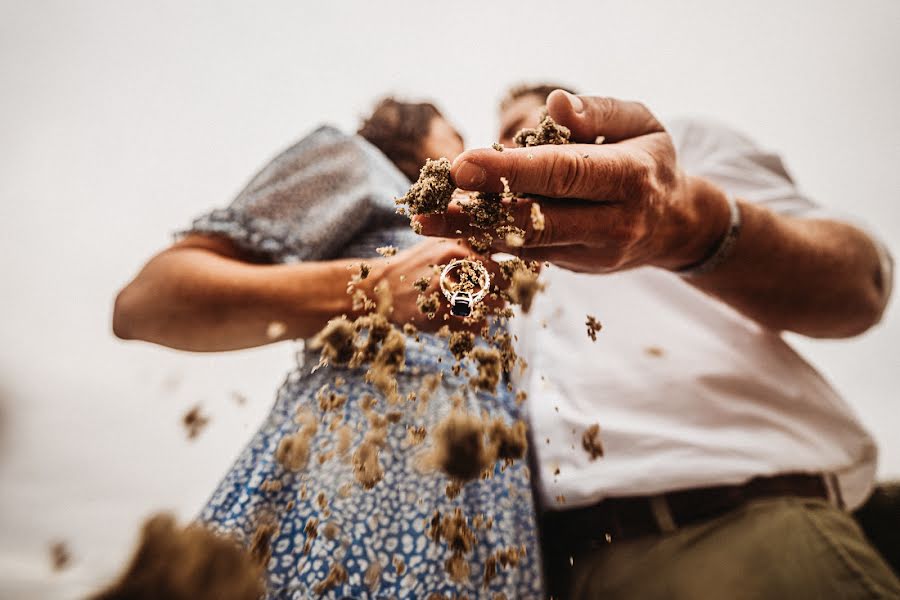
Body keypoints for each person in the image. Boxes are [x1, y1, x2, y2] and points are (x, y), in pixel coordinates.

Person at [415, 84, 900, 598]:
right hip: (565, 576)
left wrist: (682, 221)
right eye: (501, 135)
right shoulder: (488, 256)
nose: (508, 142)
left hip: (740, 533)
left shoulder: (679, 150)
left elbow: (859, 284)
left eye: (521, 124)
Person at [113, 97, 543, 598]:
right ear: (408, 131)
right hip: (357, 483)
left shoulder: (482, 232)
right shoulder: (356, 162)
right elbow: (147, 301)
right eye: (454, 133)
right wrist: (375, 286)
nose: (469, 148)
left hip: (491, 513)